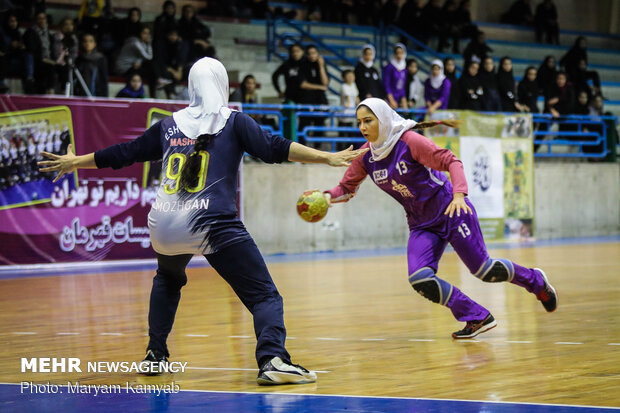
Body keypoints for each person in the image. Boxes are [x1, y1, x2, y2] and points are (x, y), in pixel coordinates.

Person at [38, 57, 369, 385]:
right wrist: (326, 155)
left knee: (167, 280)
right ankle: (273, 359)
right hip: (213, 222)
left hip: (163, 224)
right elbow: (274, 148)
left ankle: (155, 354)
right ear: (222, 83)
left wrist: (75, 161)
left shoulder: (169, 124)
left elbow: (126, 152)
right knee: (264, 296)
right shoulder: (235, 121)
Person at [322, 98, 557, 339]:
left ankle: (536, 281)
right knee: (420, 279)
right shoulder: (366, 157)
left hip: (451, 211)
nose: (362, 127)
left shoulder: (409, 141)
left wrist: (459, 195)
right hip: (421, 224)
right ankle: (477, 317)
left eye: (368, 121)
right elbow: (346, 188)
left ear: (383, 119)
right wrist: (325, 197)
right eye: (359, 122)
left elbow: (450, 161)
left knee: (484, 270)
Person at [114, 25, 156, 98]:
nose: (147, 36)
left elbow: (141, 57)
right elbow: (148, 57)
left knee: (152, 72)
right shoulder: (135, 42)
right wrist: (149, 43)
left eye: (148, 33)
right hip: (123, 68)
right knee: (150, 67)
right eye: (144, 33)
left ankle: (153, 92)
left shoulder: (142, 43)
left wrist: (139, 62)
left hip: (132, 66)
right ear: (140, 33)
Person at [23, 11, 56, 94]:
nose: (42, 21)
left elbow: (52, 49)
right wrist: (43, 59)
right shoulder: (30, 32)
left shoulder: (49, 34)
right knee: (48, 68)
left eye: (43, 18)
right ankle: (49, 92)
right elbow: (31, 49)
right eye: (39, 18)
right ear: (35, 20)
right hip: (36, 60)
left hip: (48, 60)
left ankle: (53, 91)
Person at [74, 32, 108, 97]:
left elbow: (104, 79)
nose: (87, 44)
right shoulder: (79, 59)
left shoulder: (100, 58)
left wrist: (104, 97)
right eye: (85, 41)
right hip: (80, 94)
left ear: (95, 44)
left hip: (96, 94)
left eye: (90, 41)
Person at [383, 43, 408, 109]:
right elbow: (386, 85)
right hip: (388, 99)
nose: (399, 55)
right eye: (397, 53)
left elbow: (402, 86)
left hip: (398, 100)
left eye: (401, 53)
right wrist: (391, 100)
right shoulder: (389, 67)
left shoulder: (404, 69)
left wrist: (404, 100)